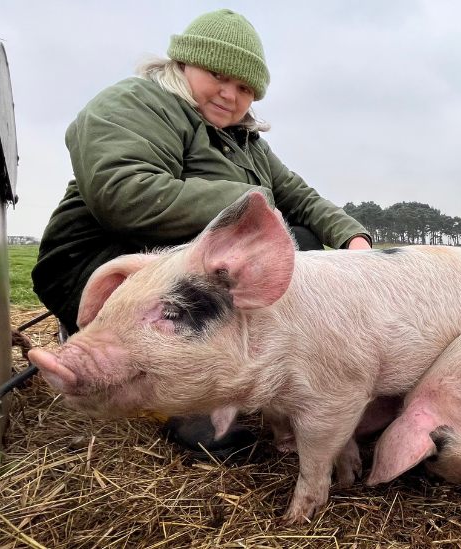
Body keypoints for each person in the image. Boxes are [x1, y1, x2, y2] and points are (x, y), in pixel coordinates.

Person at [31, 9, 371, 457]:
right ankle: (190, 406)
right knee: (277, 244)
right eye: (217, 75)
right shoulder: (137, 102)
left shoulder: (246, 143)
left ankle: (249, 384)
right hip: (100, 261)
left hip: (182, 272)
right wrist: (248, 206)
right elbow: (123, 194)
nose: (230, 94)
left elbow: (302, 198)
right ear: (184, 65)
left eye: (245, 88)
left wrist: (354, 242)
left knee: (301, 240)